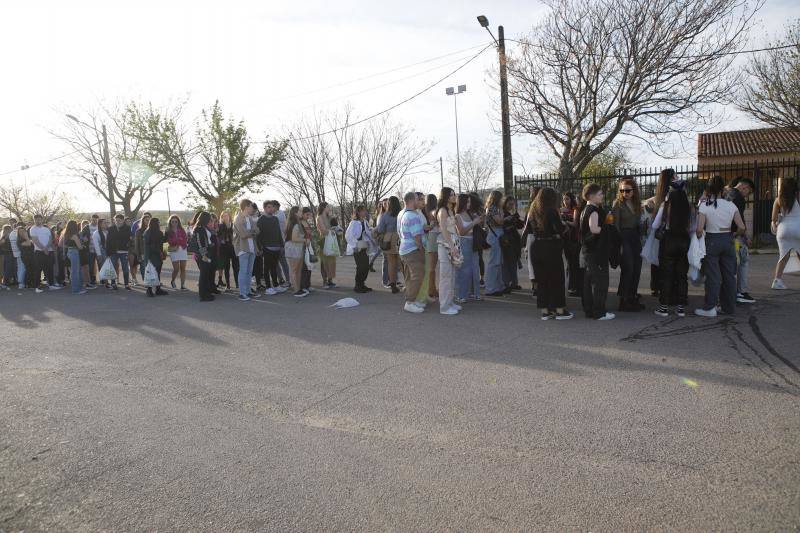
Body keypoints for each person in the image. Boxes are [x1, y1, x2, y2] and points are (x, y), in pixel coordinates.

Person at [695, 175, 746, 317]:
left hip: (711, 240)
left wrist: (698, 239)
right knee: (729, 275)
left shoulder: (705, 206)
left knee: (713, 276)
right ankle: (729, 308)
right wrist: (734, 235)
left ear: (709, 189)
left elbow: (699, 230)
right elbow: (742, 227)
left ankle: (710, 307)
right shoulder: (731, 205)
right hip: (728, 239)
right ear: (723, 188)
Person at [530, 187, 573, 320]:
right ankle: (559, 310)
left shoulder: (534, 210)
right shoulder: (551, 211)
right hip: (550, 247)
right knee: (556, 279)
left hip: (536, 246)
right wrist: (565, 225)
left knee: (542, 280)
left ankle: (545, 311)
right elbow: (559, 229)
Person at [655, 182, 692, 317]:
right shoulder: (688, 207)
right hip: (684, 241)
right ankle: (681, 307)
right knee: (682, 276)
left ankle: (664, 307)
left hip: (669, 241)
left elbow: (655, 224)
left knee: (667, 275)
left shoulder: (666, 206)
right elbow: (692, 227)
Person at [580, 184, 615, 320]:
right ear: (591, 196)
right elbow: (594, 229)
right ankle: (599, 312)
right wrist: (607, 227)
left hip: (589, 251)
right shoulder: (593, 210)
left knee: (589, 282)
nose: (602, 196)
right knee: (600, 282)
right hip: (595, 251)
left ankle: (590, 310)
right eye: (599, 194)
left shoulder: (586, 209)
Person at [612, 178, 644, 311]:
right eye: (622, 190)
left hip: (635, 237)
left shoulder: (638, 204)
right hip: (623, 237)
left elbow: (640, 221)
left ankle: (632, 297)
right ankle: (623, 300)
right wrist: (618, 244)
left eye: (627, 190)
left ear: (634, 190)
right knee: (628, 268)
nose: (624, 193)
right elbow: (616, 226)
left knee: (637, 268)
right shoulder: (617, 204)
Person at [726, 177, 756, 303]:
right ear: (745, 187)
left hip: (724, 234)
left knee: (730, 265)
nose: (747, 195)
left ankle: (730, 292)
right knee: (743, 261)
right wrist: (745, 236)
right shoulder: (739, 198)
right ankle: (741, 292)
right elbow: (740, 220)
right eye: (748, 192)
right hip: (736, 236)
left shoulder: (727, 193)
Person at [645, 169, 674, 297]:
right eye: (675, 176)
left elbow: (647, 206)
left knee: (656, 260)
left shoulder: (657, 197)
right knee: (666, 261)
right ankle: (664, 287)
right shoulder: (672, 194)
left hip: (657, 233)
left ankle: (655, 286)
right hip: (668, 233)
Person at [397, 192, 426, 313]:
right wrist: (422, 249)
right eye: (417, 199)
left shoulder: (406, 214)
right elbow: (417, 237)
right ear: (411, 201)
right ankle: (409, 302)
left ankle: (412, 300)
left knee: (410, 277)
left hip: (405, 250)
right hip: (412, 250)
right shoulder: (412, 216)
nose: (420, 201)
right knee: (418, 276)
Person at [435, 187, 462, 315]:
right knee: (445, 275)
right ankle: (444, 307)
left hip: (452, 242)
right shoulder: (442, 211)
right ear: (445, 196)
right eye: (450, 195)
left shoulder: (451, 210)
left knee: (451, 275)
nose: (453, 196)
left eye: (454, 194)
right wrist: (451, 247)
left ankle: (450, 302)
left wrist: (455, 245)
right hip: (444, 244)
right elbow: (444, 230)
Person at [771, 177, 800, 290]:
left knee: (783, 256)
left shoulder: (778, 200)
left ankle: (777, 281)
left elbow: (773, 218)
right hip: (798, 228)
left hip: (783, 230)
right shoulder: (798, 197)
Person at [455, 193, 484, 303]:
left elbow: (477, 227)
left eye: (469, 202)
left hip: (474, 242)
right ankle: (461, 294)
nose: (469, 204)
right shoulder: (457, 216)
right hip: (464, 242)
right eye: (467, 202)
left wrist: (479, 220)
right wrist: (474, 222)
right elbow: (461, 231)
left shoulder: (470, 214)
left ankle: (475, 293)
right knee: (464, 269)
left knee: (475, 268)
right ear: (462, 202)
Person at [257, 201, 287, 296]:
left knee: (274, 267)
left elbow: (278, 233)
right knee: (266, 268)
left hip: (277, 247)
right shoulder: (261, 219)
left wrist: (282, 245)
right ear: (265, 208)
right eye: (269, 207)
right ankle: (268, 288)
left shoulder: (275, 219)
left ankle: (276, 285)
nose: (271, 209)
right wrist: (260, 247)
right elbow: (258, 235)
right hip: (266, 247)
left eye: (272, 207)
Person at [233, 199, 261, 301]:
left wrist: (252, 232)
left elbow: (257, 230)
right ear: (246, 207)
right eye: (250, 206)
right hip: (242, 249)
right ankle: (242, 293)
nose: (252, 208)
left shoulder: (249, 218)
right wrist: (252, 232)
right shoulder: (238, 218)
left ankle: (248, 291)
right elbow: (243, 235)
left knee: (249, 272)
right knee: (243, 271)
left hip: (251, 248)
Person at [345, 205, 374, 294]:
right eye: (363, 211)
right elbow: (348, 235)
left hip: (364, 246)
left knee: (366, 266)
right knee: (361, 266)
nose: (365, 212)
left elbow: (367, 232)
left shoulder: (365, 221)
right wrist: (354, 246)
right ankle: (358, 285)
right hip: (357, 247)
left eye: (365, 210)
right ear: (358, 212)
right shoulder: (353, 222)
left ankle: (362, 284)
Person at [29, 214, 62, 293]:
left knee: (50, 268)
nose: (37, 221)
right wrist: (43, 249)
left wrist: (47, 248)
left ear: (41, 219)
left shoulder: (46, 229)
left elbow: (50, 239)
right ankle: (37, 287)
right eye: (36, 219)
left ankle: (51, 285)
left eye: (39, 219)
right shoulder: (33, 229)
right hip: (39, 252)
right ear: (34, 220)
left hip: (48, 251)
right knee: (38, 269)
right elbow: (35, 240)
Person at [375, 196, 401, 293]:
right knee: (401, 263)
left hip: (389, 240)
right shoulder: (401, 214)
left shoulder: (385, 215)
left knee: (391, 263)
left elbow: (381, 229)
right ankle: (407, 283)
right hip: (400, 239)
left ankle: (392, 283)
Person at [484, 190, 506, 297]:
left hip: (496, 234)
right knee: (494, 263)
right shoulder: (493, 208)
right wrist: (502, 211)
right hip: (494, 235)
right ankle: (490, 288)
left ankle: (497, 287)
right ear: (497, 198)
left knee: (498, 262)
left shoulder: (494, 208)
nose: (503, 200)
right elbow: (500, 221)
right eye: (502, 198)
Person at [192, 211, 217, 302]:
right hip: (202, 255)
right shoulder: (199, 229)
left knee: (206, 275)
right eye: (209, 219)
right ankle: (203, 295)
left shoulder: (203, 227)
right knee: (203, 275)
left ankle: (206, 293)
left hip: (207, 252)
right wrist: (203, 255)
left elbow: (206, 241)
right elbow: (199, 243)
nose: (210, 220)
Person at [561, 192, 582, 297]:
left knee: (574, 264)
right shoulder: (561, 210)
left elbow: (575, 224)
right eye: (564, 199)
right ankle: (571, 286)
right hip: (566, 240)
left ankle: (574, 287)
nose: (565, 201)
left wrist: (565, 222)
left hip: (574, 239)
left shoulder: (575, 209)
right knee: (570, 263)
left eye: (567, 199)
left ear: (572, 199)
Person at [500, 195, 524, 293]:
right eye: (510, 204)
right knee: (507, 263)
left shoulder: (510, 213)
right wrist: (511, 221)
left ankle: (513, 283)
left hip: (513, 241)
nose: (511, 206)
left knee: (513, 262)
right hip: (507, 241)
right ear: (505, 203)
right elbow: (503, 228)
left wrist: (517, 219)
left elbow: (519, 225)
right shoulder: (502, 213)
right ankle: (506, 284)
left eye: (513, 204)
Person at [521, 187, 541, 295]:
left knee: (532, 263)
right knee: (536, 263)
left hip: (532, 236)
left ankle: (535, 286)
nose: (530, 194)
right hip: (538, 236)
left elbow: (526, 223)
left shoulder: (532, 206)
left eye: (532, 192)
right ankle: (537, 286)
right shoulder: (542, 206)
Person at [142, 218, 168, 297]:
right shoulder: (155, 233)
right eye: (158, 222)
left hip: (150, 255)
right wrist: (160, 252)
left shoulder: (147, 232)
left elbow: (161, 241)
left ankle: (154, 289)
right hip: (154, 255)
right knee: (155, 272)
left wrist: (166, 233)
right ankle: (153, 289)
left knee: (152, 272)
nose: (159, 224)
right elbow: (154, 245)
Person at [61, 221, 87, 295]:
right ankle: (76, 289)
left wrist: (64, 254)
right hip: (75, 252)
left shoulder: (65, 234)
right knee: (75, 271)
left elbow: (63, 245)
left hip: (69, 252)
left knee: (74, 271)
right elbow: (80, 247)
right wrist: (84, 244)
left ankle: (78, 287)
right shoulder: (74, 235)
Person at [106, 214, 132, 290]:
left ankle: (126, 284)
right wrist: (108, 253)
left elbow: (128, 239)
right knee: (113, 268)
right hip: (113, 252)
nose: (117, 222)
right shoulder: (110, 229)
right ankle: (113, 283)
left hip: (123, 251)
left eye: (119, 220)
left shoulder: (127, 228)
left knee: (125, 268)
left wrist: (127, 246)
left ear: (123, 220)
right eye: (116, 220)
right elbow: (108, 241)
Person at [316, 202, 338, 289]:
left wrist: (334, 221)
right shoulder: (319, 217)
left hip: (331, 240)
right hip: (324, 240)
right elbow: (323, 230)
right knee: (324, 261)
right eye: (328, 206)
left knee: (331, 261)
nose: (329, 208)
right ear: (323, 208)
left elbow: (335, 226)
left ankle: (330, 280)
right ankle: (324, 281)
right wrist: (333, 229)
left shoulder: (330, 217)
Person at [165, 215, 189, 291]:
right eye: (173, 222)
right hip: (174, 250)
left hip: (182, 249)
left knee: (183, 268)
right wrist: (178, 241)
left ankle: (182, 285)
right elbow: (169, 241)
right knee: (176, 269)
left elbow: (185, 239)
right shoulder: (168, 231)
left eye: (176, 221)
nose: (174, 223)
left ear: (178, 222)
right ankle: (173, 281)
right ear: (170, 222)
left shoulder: (181, 229)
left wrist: (178, 241)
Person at [216, 211, 238, 291]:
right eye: (223, 216)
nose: (225, 217)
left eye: (226, 216)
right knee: (226, 267)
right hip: (224, 249)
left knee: (236, 267)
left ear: (229, 216)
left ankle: (237, 284)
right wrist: (222, 239)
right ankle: (228, 285)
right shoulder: (220, 226)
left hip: (233, 248)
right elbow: (217, 236)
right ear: (221, 218)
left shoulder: (233, 225)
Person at [425, 193, 439, 299]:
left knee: (432, 267)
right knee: (432, 267)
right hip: (434, 237)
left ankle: (432, 288)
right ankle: (431, 289)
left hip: (431, 237)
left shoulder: (425, 211)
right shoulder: (434, 212)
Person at [92, 218, 110, 288]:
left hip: (108, 251)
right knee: (104, 267)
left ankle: (108, 281)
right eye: (104, 223)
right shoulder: (96, 233)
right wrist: (99, 255)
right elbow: (96, 245)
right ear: (100, 224)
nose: (106, 224)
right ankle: (106, 283)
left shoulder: (108, 231)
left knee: (108, 267)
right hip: (102, 252)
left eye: (106, 223)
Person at [134, 213, 151, 283]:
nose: (148, 222)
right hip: (143, 252)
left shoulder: (152, 230)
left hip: (151, 252)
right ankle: (146, 281)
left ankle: (152, 280)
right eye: (146, 220)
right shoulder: (138, 231)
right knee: (143, 267)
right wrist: (138, 255)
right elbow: (136, 244)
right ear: (143, 221)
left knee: (151, 267)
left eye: (149, 220)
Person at [0, 225, 12, 289]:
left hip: (5, 254)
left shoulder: (4, 235)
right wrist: (5, 237)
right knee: (2, 269)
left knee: (4, 269)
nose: (11, 230)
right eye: (10, 229)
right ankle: (3, 282)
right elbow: (1, 243)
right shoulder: (4, 236)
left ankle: (3, 283)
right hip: (3, 254)